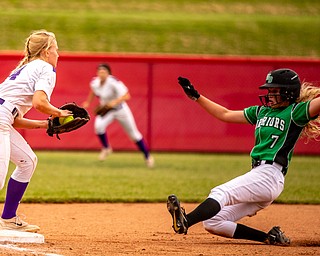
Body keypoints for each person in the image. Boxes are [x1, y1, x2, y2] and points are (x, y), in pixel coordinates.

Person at [167, 69, 320, 245]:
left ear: (288, 92)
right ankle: (270, 237)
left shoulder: (296, 112)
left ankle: (185, 222)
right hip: (260, 176)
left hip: (270, 174)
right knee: (212, 222)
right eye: (269, 90)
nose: (269, 94)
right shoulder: (261, 112)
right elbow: (225, 114)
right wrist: (197, 97)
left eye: (274, 91)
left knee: (220, 193)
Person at [0, 30, 72, 232]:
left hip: (3, 117)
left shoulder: (28, 67)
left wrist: (45, 124)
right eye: (56, 49)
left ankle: (8, 218)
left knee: (27, 161)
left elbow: (13, 118)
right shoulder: (46, 68)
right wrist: (58, 113)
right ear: (47, 51)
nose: (58, 54)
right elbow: (39, 102)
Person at [82, 63, 154, 168]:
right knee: (98, 127)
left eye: (104, 72)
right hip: (107, 111)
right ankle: (106, 148)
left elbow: (127, 96)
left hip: (120, 110)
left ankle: (147, 157)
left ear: (108, 73)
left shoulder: (114, 82)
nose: (101, 74)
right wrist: (88, 102)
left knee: (134, 135)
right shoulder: (95, 82)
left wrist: (114, 102)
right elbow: (93, 91)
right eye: (100, 72)